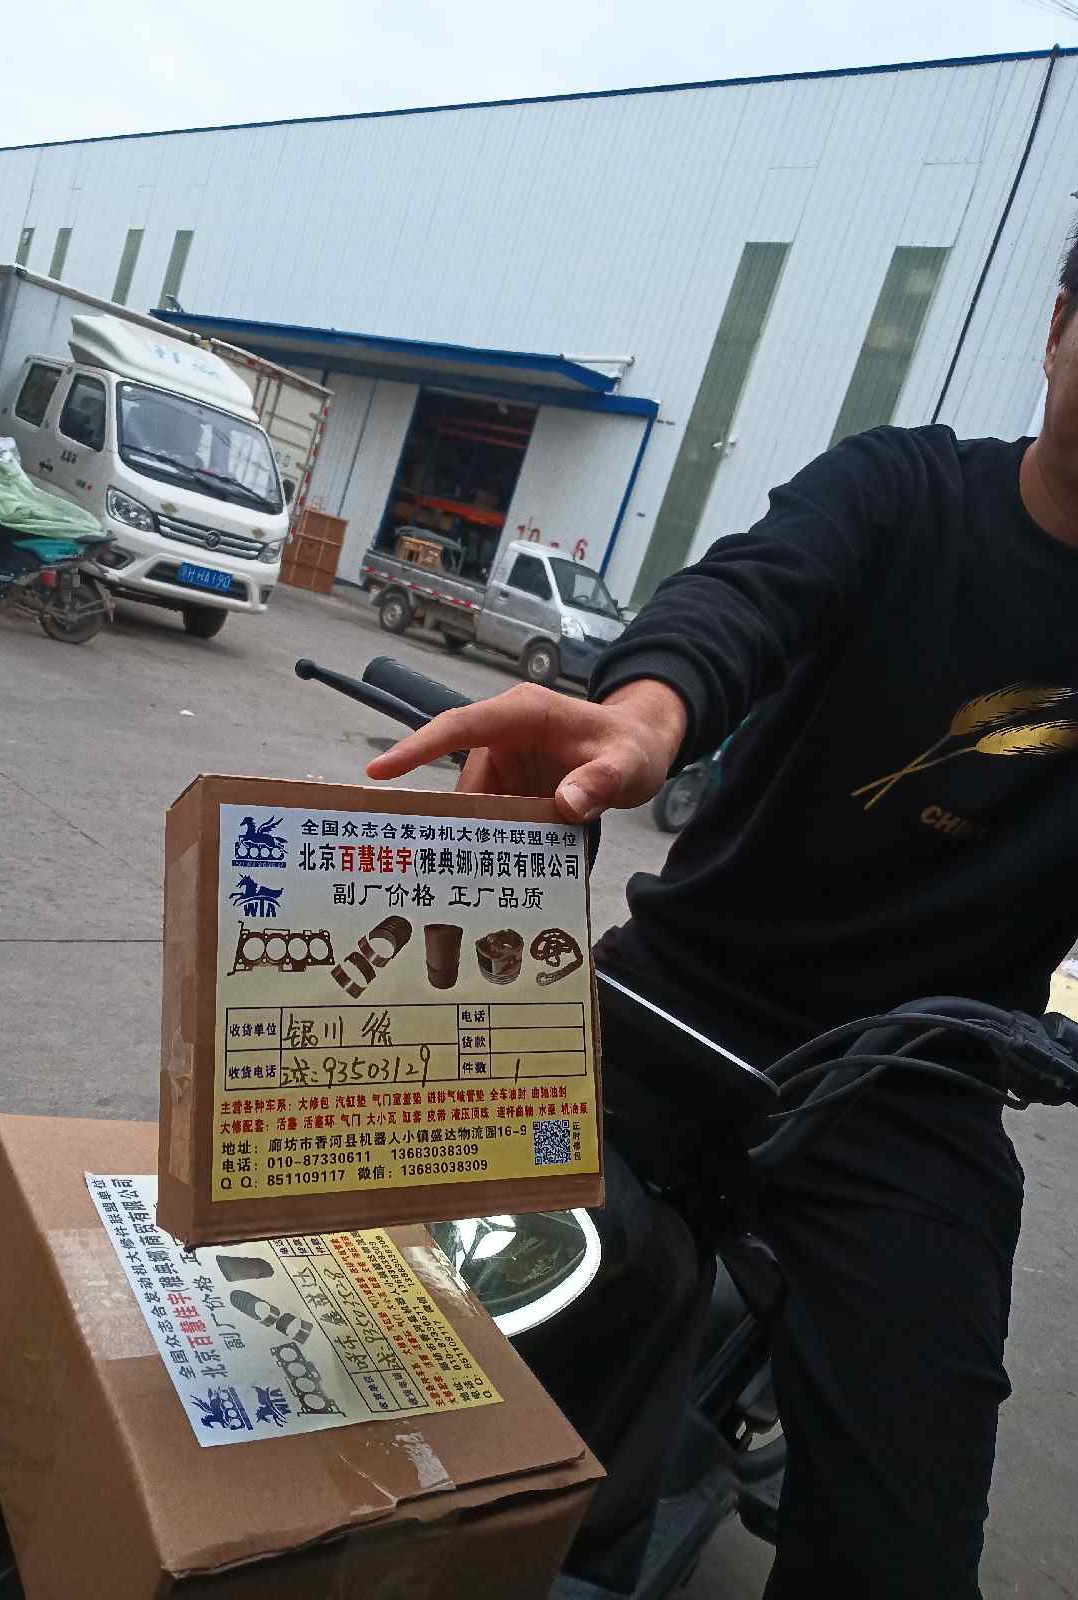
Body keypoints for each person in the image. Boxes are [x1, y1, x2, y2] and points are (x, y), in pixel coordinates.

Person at [365, 241, 1078, 1596]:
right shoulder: (905, 490)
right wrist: (640, 720)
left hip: (911, 1096)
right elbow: (744, 596)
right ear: (1057, 328)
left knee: (905, 1531)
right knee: (369, 1272)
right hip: (672, 999)